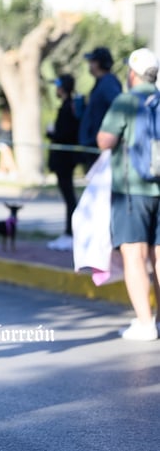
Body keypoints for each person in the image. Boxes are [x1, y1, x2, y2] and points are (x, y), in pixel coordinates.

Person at [97, 47, 160, 341]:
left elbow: (105, 141)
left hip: (132, 190)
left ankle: (145, 324)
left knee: (134, 254)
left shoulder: (125, 101)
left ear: (132, 73)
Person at [46, 75, 81, 252]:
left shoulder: (69, 107)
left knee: (69, 198)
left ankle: (71, 233)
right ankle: (69, 232)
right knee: (68, 197)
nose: (56, 89)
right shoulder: (68, 106)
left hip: (65, 159)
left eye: (58, 86)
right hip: (64, 159)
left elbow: (66, 134)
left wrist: (51, 133)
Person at [80, 46, 122, 169]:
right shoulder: (101, 82)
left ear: (98, 63)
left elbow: (118, 107)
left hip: (101, 145)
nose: (89, 65)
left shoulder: (108, 83)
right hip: (94, 143)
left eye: (92, 62)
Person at [0, 110, 18, 176]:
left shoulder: (1, 123)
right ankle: (5, 170)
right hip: (8, 142)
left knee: (5, 157)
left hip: (2, 142)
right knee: (6, 157)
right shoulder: (11, 123)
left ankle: (7, 170)